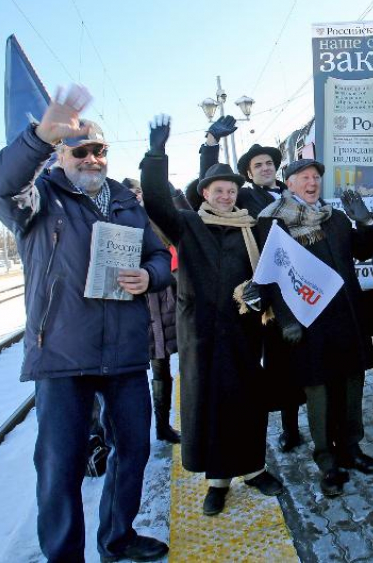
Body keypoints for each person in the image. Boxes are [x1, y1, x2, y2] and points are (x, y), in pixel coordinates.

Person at [0, 85, 170, 563]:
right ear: (61, 155)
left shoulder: (126, 201)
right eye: (80, 150)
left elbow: (158, 255)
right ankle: (64, 555)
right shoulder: (40, 198)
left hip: (124, 349)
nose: (91, 158)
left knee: (133, 451)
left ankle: (117, 537)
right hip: (63, 352)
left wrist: (150, 276)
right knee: (60, 466)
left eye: (99, 150)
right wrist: (39, 137)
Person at [140, 116, 283, 516]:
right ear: (205, 193)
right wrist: (156, 153)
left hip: (243, 328)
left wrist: (261, 294)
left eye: (231, 190)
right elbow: (153, 199)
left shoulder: (250, 227)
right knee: (209, 404)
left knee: (247, 402)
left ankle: (254, 469)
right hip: (200, 332)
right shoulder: (188, 224)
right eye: (218, 190)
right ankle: (218, 482)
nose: (225, 195)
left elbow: (271, 268)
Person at [257, 159, 373, 497]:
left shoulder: (336, 217)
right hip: (309, 323)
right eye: (304, 178)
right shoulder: (275, 221)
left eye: (316, 177)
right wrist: (286, 319)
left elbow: (362, 250)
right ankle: (327, 460)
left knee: (353, 385)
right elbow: (271, 274)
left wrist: (367, 222)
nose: (312, 183)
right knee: (320, 392)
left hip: (347, 316)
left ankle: (352, 449)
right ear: (290, 183)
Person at [201, 125, 305, 453]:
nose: (265, 168)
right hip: (269, 293)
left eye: (269, 163)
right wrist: (211, 144)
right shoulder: (244, 197)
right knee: (280, 364)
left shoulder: (294, 194)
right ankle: (289, 427)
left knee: (310, 357)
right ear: (248, 173)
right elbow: (211, 185)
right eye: (257, 165)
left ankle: (322, 419)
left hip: (302, 284)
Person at [122, 177, 186, 443]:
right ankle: (143, 429)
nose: (136, 196)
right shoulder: (119, 223)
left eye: (139, 191)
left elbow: (179, 238)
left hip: (168, 301)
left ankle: (164, 426)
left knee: (167, 367)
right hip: (139, 307)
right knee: (139, 373)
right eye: (131, 193)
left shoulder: (158, 221)